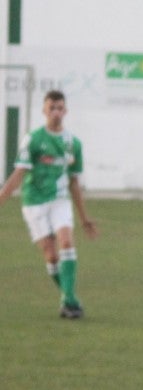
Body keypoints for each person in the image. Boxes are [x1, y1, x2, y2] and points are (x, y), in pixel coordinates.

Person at [0, 89, 99, 319]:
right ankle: (69, 298)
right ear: (44, 110)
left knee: (66, 241)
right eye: (51, 107)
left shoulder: (73, 144)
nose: (56, 112)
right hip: (34, 202)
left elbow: (74, 182)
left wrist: (84, 218)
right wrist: (3, 197)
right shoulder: (33, 139)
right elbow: (19, 173)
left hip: (59, 200)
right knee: (51, 256)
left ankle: (70, 301)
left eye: (60, 108)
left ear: (65, 111)